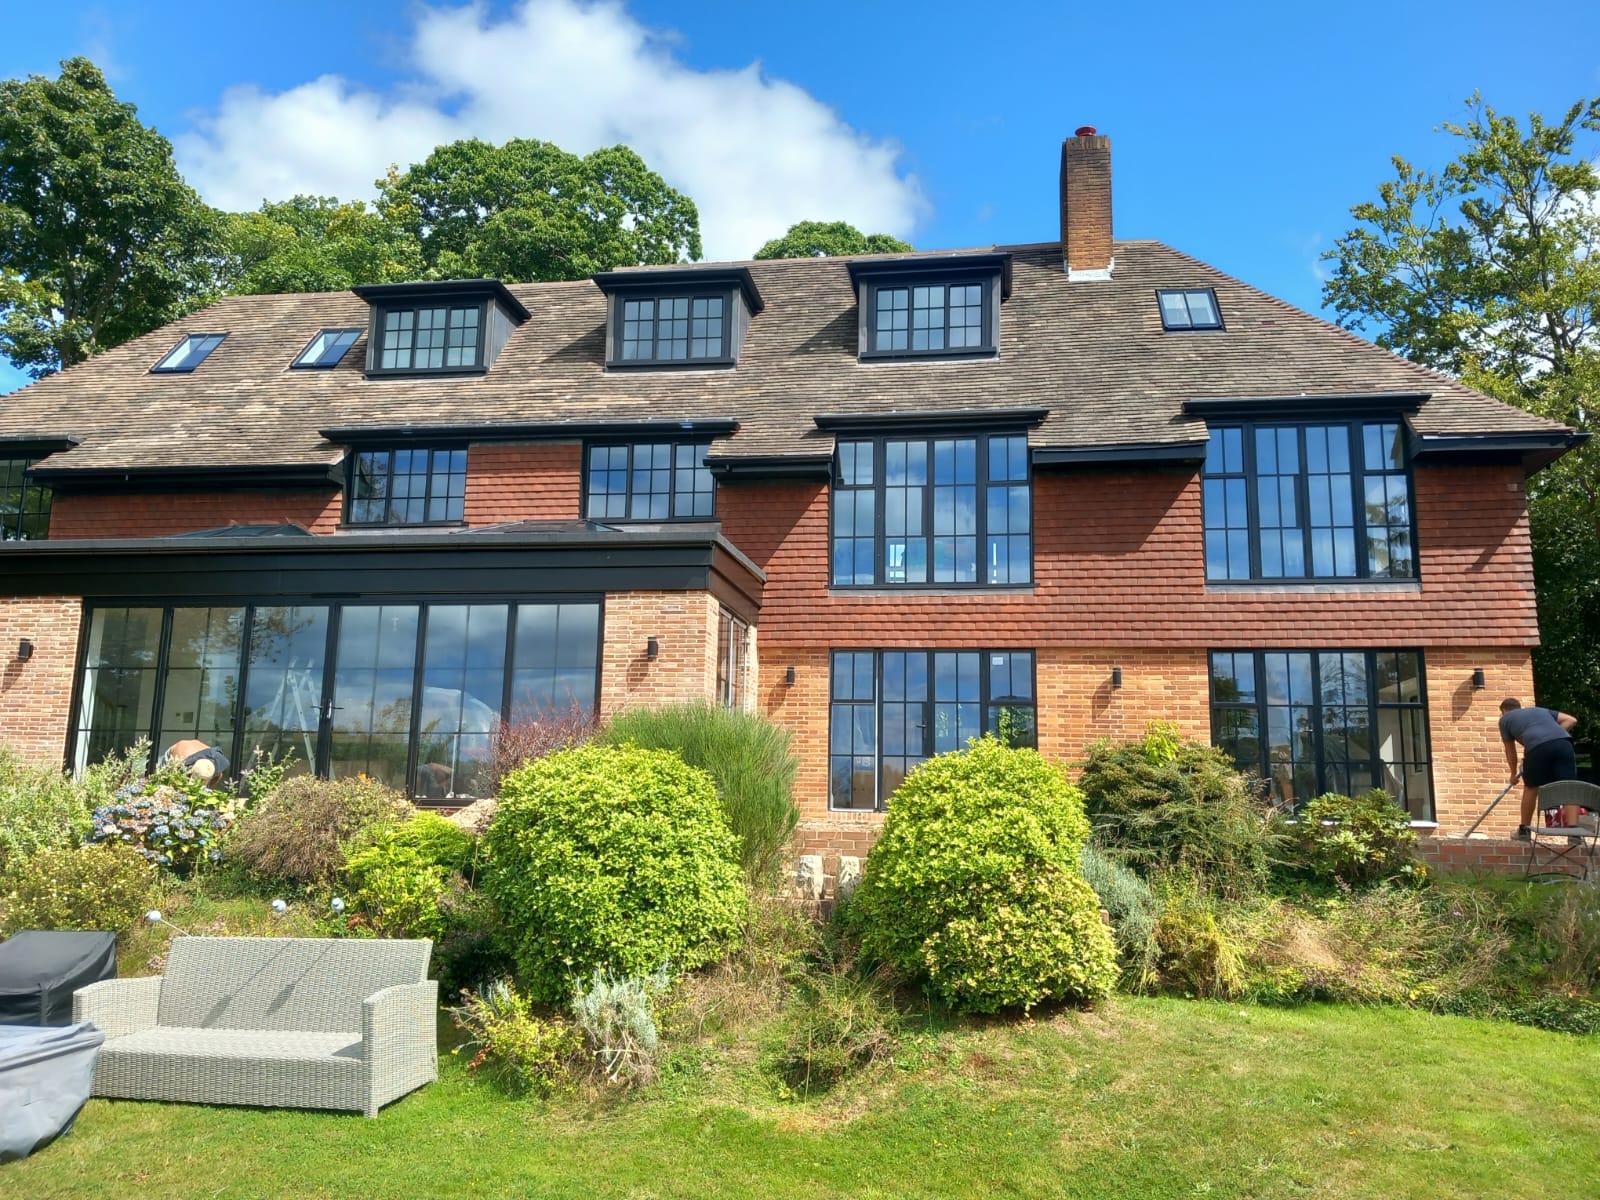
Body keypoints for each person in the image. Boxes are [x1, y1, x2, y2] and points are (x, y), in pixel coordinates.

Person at [1499, 698, 1579, 840]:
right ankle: (1574, 833)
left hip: (1537, 748)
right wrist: (1552, 735)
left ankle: (1524, 831)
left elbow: (1510, 750)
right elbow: (1571, 720)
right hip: (1563, 743)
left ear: (1504, 711)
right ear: (1519, 707)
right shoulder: (1540, 710)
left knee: (1531, 787)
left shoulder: (1505, 719)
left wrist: (1513, 774)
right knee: (1569, 787)